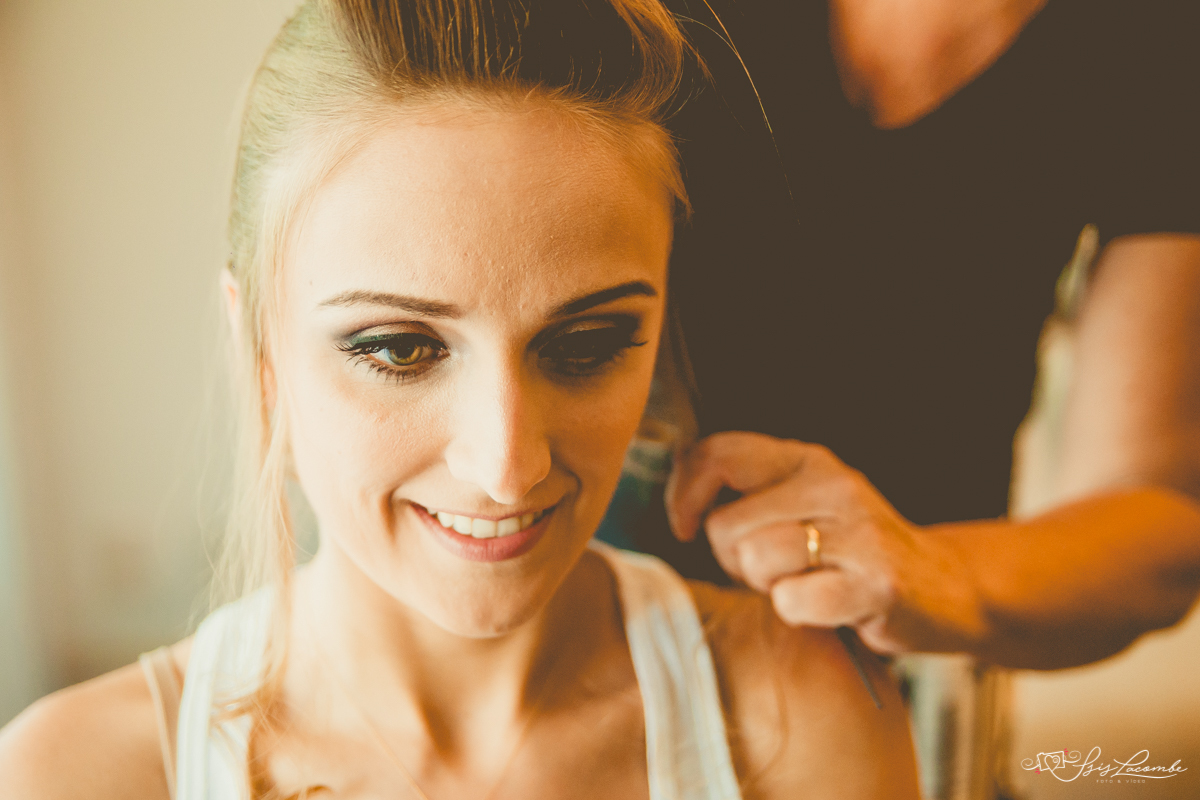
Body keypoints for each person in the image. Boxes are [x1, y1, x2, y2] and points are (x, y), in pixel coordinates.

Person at [0, 1, 919, 798]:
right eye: (400, 349)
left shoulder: (793, 716)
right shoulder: (78, 775)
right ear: (261, 349)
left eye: (585, 345)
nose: (507, 466)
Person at [648, 0, 1200, 670]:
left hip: (895, 651)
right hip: (590, 582)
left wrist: (933, 571)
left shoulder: (1165, 45)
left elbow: (1156, 519)